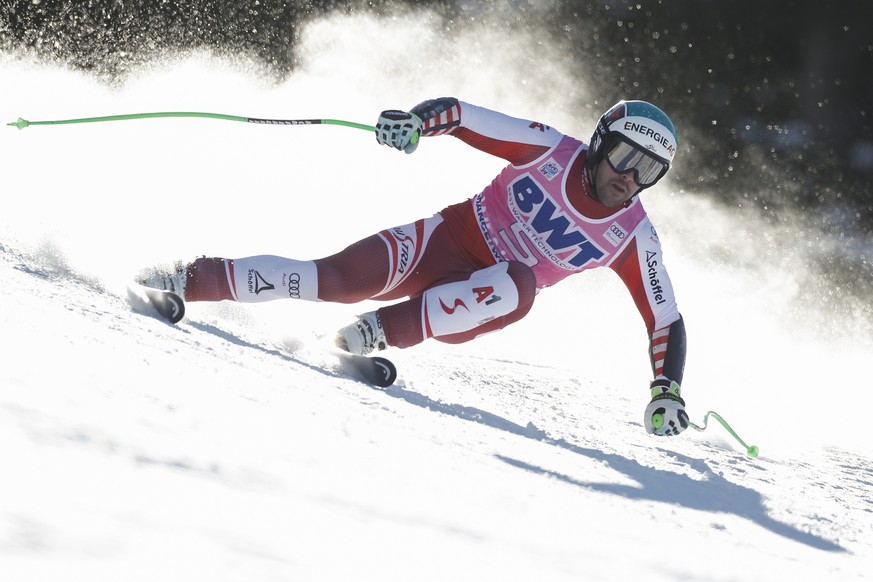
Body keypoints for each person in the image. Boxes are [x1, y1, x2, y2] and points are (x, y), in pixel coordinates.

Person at [138, 98, 690, 437]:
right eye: (624, 158)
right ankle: (183, 276)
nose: (630, 178)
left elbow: (665, 318)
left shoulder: (632, 235)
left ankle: (376, 333)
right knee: (331, 279)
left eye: (649, 172)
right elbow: (462, 114)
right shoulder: (549, 149)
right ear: (599, 145)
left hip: (474, 303)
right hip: (440, 243)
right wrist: (415, 124)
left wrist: (666, 391)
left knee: (518, 283)